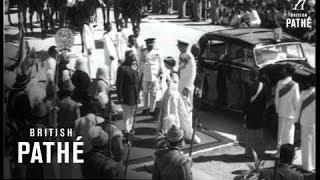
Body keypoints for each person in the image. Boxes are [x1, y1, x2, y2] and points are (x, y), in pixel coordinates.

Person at [243, 70, 268, 157]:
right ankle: (259, 152)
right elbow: (265, 100)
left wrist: (244, 114)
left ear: (250, 76)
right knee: (259, 133)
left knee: (250, 134)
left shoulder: (248, 86)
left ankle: (249, 153)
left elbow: (246, 101)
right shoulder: (264, 86)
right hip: (260, 113)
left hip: (250, 113)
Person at [116, 50, 141, 136]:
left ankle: (130, 128)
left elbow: (137, 79)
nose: (133, 59)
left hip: (134, 92)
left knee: (133, 112)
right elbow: (119, 83)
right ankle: (127, 129)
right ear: (127, 58)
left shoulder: (134, 65)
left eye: (133, 57)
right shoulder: (122, 68)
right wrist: (120, 96)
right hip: (126, 92)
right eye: (131, 58)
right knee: (126, 112)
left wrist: (138, 93)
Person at [275, 64, 300, 146]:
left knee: (280, 135)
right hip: (291, 114)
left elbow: (276, 99)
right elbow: (297, 102)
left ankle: (279, 153)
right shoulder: (295, 85)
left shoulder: (279, 83)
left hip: (281, 113)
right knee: (289, 135)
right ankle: (288, 154)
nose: (283, 71)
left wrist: (278, 110)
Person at [296, 74, 315, 171]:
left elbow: (299, 108)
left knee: (306, 143)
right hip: (314, 122)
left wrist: (296, 120)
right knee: (314, 143)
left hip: (305, 121)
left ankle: (307, 165)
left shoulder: (303, 93)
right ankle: (314, 164)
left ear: (308, 83)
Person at [141, 38, 164, 115]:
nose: (150, 46)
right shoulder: (143, 52)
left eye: (151, 45)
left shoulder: (157, 51)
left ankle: (152, 109)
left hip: (155, 75)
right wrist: (140, 73)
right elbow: (140, 62)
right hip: (145, 75)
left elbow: (161, 62)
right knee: (145, 92)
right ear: (146, 44)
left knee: (153, 93)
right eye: (149, 45)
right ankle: (145, 108)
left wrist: (161, 72)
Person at [177, 40, 196, 127]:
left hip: (186, 88)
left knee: (187, 109)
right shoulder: (182, 55)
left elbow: (192, 73)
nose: (178, 47)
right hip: (181, 85)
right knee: (181, 108)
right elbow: (181, 69)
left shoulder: (189, 57)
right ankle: (183, 127)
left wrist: (187, 87)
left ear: (185, 46)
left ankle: (188, 129)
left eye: (180, 46)